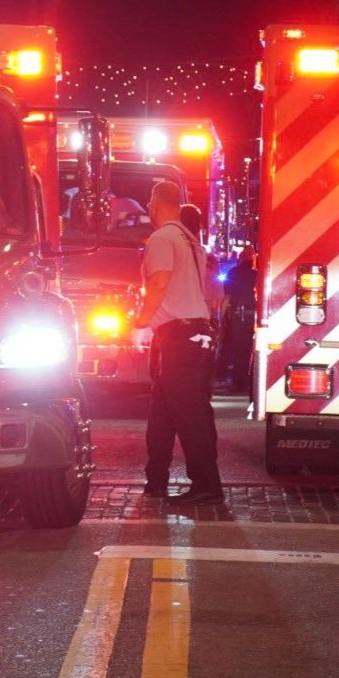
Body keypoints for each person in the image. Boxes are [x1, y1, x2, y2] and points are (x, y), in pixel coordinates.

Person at [132, 180, 223, 507]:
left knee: (188, 414)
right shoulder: (191, 241)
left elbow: (159, 282)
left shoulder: (161, 238)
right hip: (196, 333)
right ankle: (156, 480)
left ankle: (207, 486)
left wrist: (140, 322)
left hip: (177, 335)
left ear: (154, 205)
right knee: (166, 411)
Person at [220, 245, 257, 391]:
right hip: (252, 315)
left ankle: (237, 381)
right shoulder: (256, 274)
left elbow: (226, 297)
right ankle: (245, 381)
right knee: (248, 349)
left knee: (237, 349)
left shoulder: (233, 273)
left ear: (240, 258)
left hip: (237, 315)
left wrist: (222, 317)